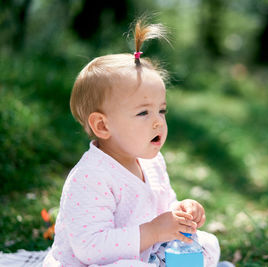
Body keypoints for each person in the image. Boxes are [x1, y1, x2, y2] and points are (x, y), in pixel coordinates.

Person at [43, 18, 221, 267]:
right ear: (103, 126)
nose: (158, 122)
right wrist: (153, 232)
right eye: (143, 113)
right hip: (92, 263)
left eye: (162, 110)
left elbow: (163, 207)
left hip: (144, 252)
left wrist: (180, 211)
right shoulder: (90, 176)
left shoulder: (153, 162)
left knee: (207, 243)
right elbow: (90, 248)